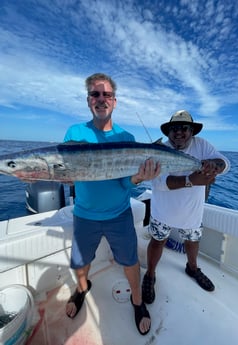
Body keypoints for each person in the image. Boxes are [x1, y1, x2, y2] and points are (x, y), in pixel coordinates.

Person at [64, 73, 160, 335]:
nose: (101, 99)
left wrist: (139, 178)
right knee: (80, 262)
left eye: (107, 95)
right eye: (95, 94)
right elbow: (69, 173)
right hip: (84, 214)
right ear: (88, 101)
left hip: (118, 214)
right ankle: (82, 289)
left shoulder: (126, 137)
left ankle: (137, 301)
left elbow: (126, 184)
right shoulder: (75, 132)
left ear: (115, 102)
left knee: (129, 261)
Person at [142, 110, 230, 304]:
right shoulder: (159, 150)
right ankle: (150, 274)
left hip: (192, 213)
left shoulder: (202, 145)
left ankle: (192, 268)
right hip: (162, 212)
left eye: (184, 128)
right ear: (168, 132)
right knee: (157, 242)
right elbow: (159, 183)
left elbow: (224, 163)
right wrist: (192, 180)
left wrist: (214, 166)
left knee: (192, 243)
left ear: (192, 131)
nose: (179, 132)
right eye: (174, 128)